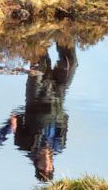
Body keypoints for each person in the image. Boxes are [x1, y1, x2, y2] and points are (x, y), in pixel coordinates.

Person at [14, 42, 77, 181]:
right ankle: (63, 35)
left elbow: (17, 119)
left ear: (37, 166)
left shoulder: (26, 145)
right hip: (58, 96)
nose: (47, 167)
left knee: (39, 61)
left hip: (36, 97)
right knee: (71, 64)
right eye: (50, 169)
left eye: (44, 169)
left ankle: (39, 32)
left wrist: (15, 123)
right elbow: (64, 122)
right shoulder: (59, 145)